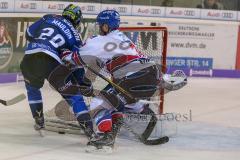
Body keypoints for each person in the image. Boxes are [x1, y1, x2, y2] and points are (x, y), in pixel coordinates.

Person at [61, 9, 187, 151]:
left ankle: (106, 136)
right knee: (121, 102)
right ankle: (145, 112)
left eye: (101, 25)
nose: (100, 27)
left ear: (106, 26)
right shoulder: (123, 38)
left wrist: (64, 52)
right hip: (152, 75)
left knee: (97, 104)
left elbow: (75, 59)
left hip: (132, 78)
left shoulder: (101, 40)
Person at [20, 4, 96, 140]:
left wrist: (41, 43)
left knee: (33, 89)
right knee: (75, 97)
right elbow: (75, 62)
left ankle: (39, 121)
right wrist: (82, 81)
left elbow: (28, 34)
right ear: (78, 20)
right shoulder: (75, 35)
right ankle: (90, 132)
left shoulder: (47, 18)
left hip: (29, 58)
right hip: (51, 63)